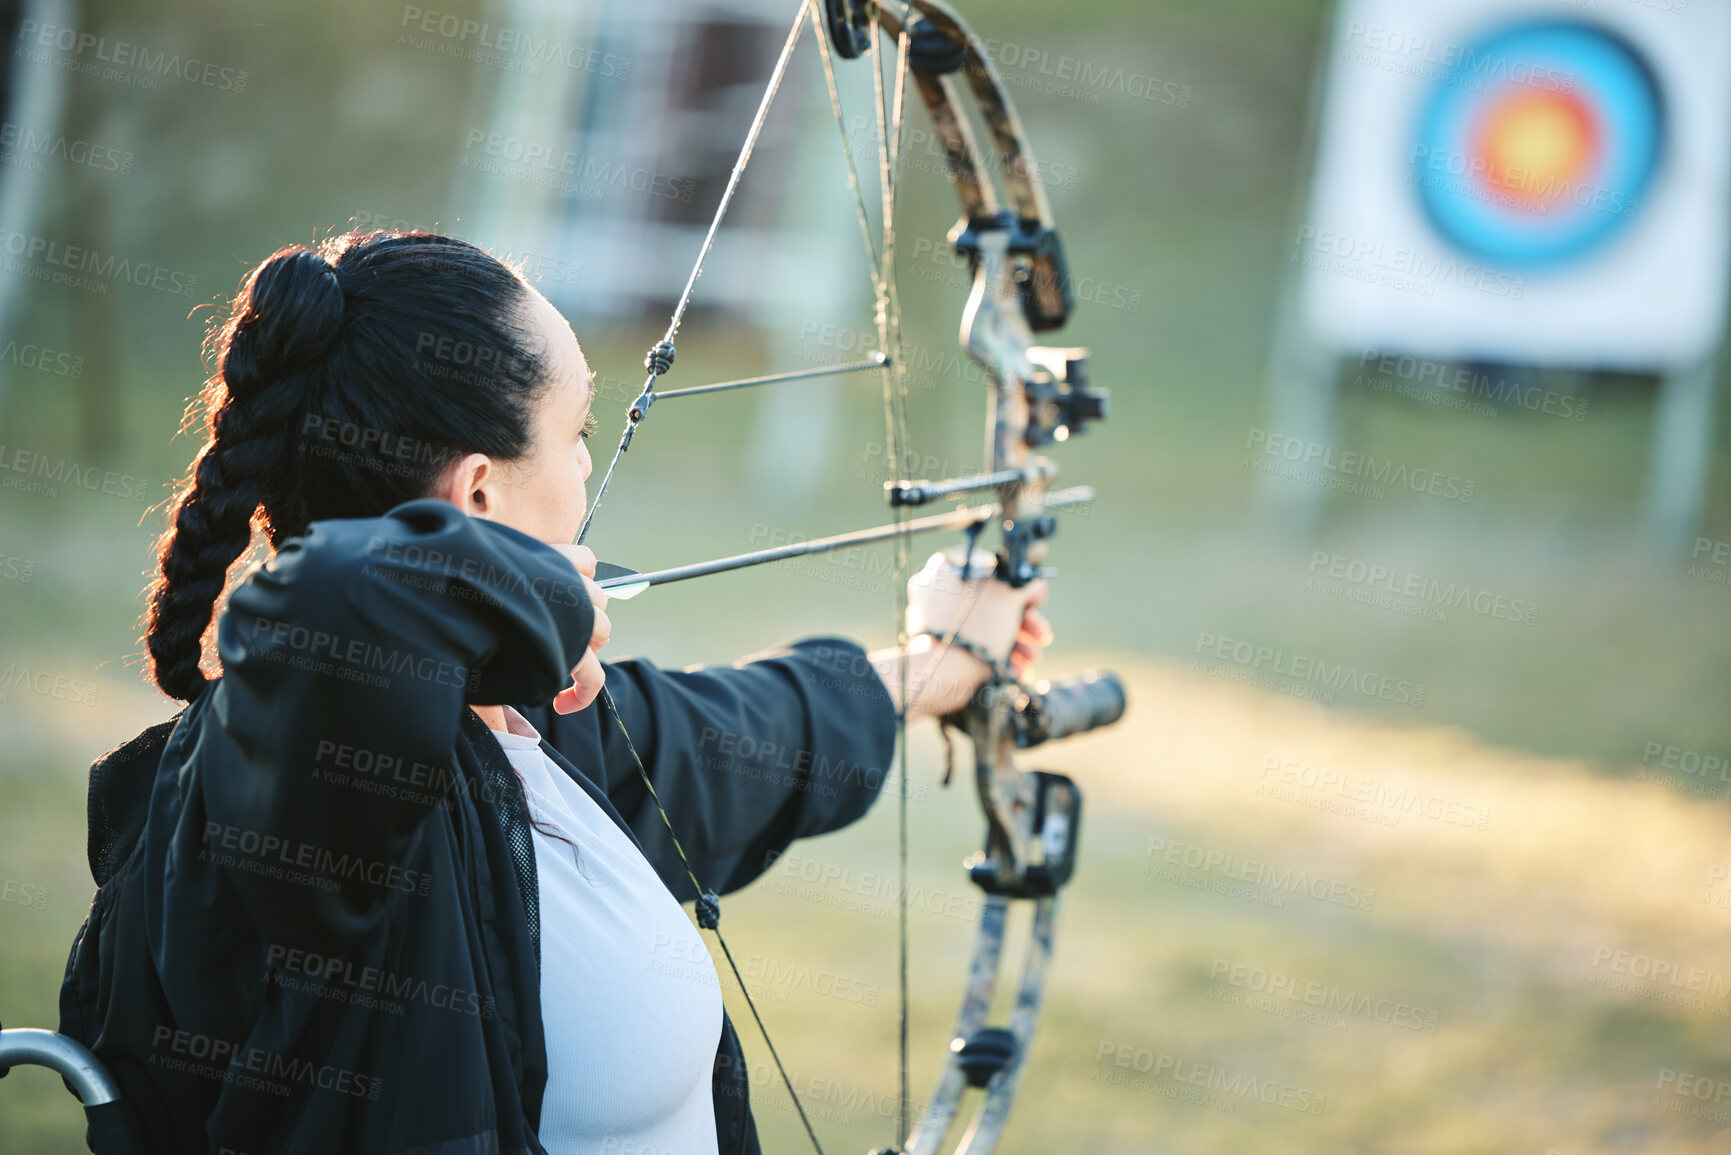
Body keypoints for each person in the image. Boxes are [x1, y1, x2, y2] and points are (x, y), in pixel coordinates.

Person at [57, 230, 1052, 1155]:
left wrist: (941, 659)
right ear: (478, 495)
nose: (588, 462)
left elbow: (737, 738)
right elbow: (324, 604)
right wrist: (525, 590)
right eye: (577, 428)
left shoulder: (521, 738)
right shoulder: (291, 781)